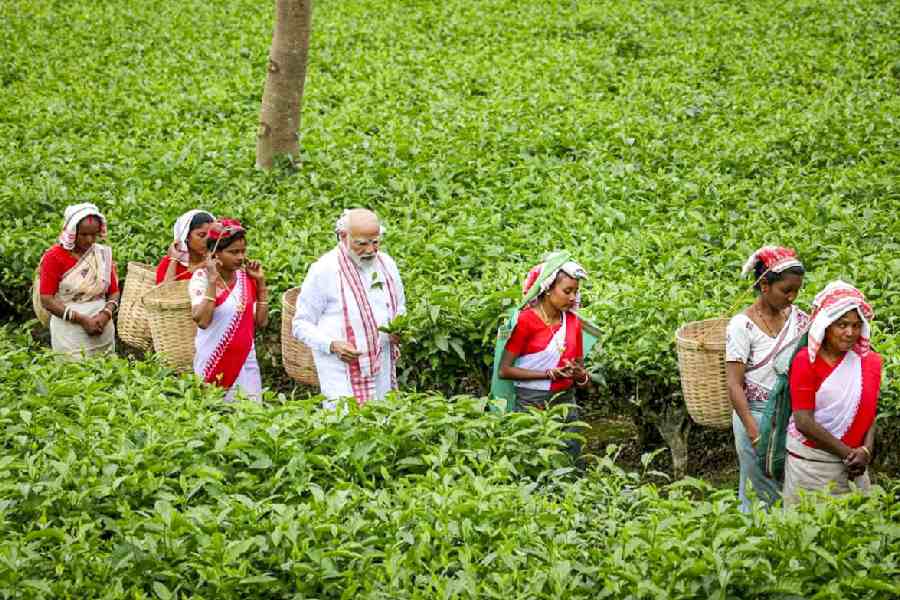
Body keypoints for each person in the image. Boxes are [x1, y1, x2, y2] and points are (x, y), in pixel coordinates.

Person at [292, 208, 406, 408]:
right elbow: (301, 324)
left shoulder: (387, 264)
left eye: (375, 242)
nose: (370, 250)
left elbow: (400, 306)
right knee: (345, 425)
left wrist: (399, 327)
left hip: (382, 365)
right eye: (361, 243)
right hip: (341, 371)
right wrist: (332, 344)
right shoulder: (324, 269)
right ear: (344, 237)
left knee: (383, 421)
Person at [725, 246, 808, 511]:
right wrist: (753, 431)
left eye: (797, 290)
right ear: (764, 286)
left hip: (790, 416)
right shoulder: (742, 325)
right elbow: (734, 384)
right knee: (759, 483)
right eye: (786, 291)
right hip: (755, 416)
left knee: (788, 483)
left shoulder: (797, 318)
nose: (792, 297)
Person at [783, 281, 881, 505]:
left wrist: (865, 450)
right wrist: (849, 454)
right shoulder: (805, 363)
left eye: (856, 326)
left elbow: (868, 412)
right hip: (813, 466)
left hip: (855, 464)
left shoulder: (868, 362)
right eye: (842, 325)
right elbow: (803, 422)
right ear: (825, 326)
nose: (850, 333)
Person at [497, 252, 591, 460]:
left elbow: (582, 377)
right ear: (548, 289)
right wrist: (547, 374)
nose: (572, 298)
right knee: (533, 460)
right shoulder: (526, 322)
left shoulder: (573, 323)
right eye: (567, 291)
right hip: (532, 404)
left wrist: (579, 375)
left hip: (566, 403)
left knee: (570, 460)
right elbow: (504, 371)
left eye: (576, 292)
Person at [188, 219, 268, 402]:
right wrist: (211, 281)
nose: (240, 257)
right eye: (233, 252)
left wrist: (261, 283)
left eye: (243, 251)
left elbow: (261, 322)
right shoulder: (200, 279)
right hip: (214, 362)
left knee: (252, 416)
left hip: (245, 363)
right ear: (215, 254)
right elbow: (202, 320)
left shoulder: (245, 278)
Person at [39, 203, 120, 360]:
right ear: (72, 232)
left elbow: (114, 291)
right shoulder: (54, 257)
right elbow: (46, 299)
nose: (89, 240)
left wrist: (105, 314)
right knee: (73, 374)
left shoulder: (102, 254)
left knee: (107, 374)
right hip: (70, 330)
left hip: (102, 328)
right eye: (83, 235)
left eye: (93, 235)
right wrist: (82, 319)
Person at [156, 210, 215, 283]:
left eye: (211, 236)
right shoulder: (169, 263)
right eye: (201, 235)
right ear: (186, 236)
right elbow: (163, 292)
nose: (207, 241)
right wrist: (174, 260)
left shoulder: (215, 262)